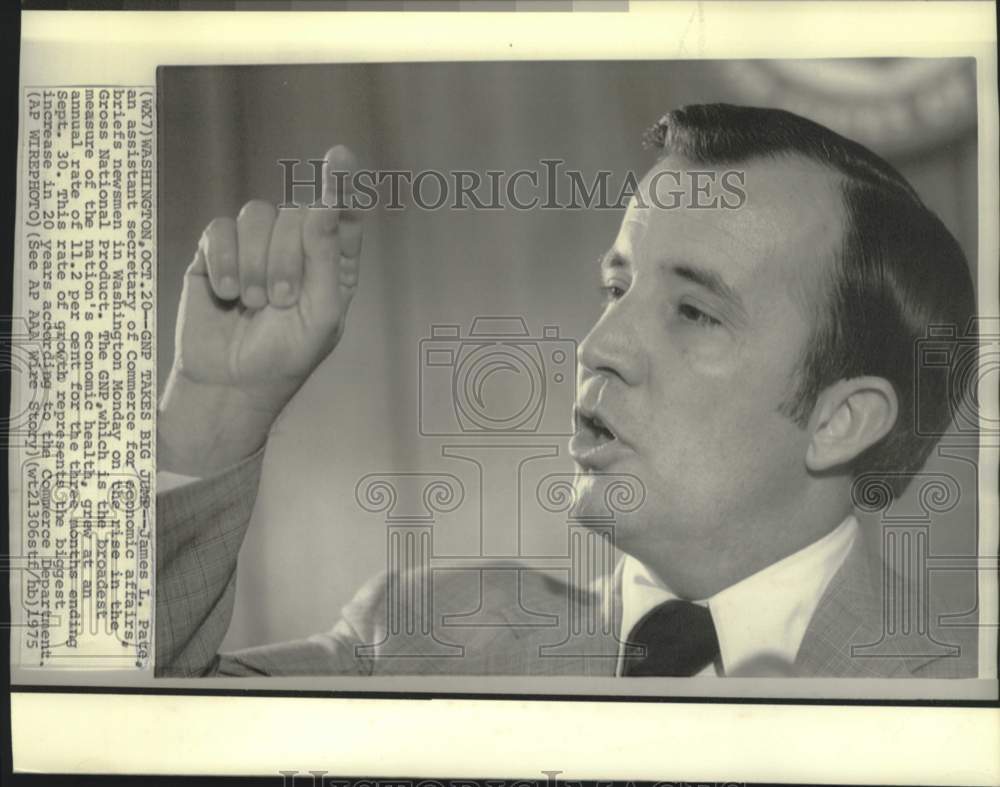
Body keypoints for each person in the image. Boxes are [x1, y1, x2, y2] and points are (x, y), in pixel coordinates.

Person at [155, 104, 976, 678]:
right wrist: (217, 408)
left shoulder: (967, 703)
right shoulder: (421, 634)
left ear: (839, 419)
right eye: (616, 288)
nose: (597, 346)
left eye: (695, 311)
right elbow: (110, 725)